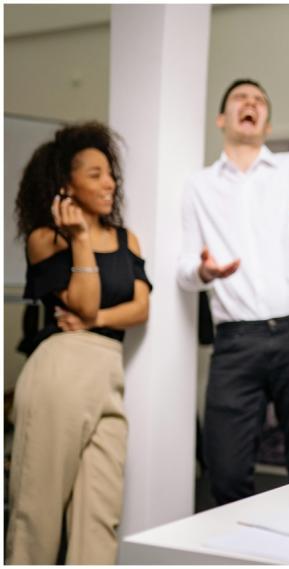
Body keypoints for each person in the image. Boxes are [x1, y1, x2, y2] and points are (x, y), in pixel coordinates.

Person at [178, 78, 289, 505]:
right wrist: (203, 269)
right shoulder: (198, 186)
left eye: (259, 101)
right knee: (226, 472)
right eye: (241, 98)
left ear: (266, 124)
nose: (250, 104)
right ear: (223, 118)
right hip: (237, 341)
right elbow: (183, 270)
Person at [6, 122, 152, 564]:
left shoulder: (126, 239)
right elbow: (84, 302)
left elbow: (139, 308)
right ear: (65, 185)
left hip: (108, 370)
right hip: (60, 369)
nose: (109, 182)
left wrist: (99, 318)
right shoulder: (45, 239)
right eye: (95, 174)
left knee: (100, 516)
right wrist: (82, 239)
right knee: (38, 513)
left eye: (111, 174)